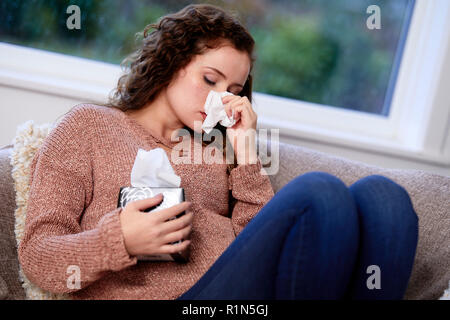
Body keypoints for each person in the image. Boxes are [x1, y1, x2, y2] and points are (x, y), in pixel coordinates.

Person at [18, 4, 418, 300]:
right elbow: (37, 255)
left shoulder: (214, 149)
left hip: (246, 294)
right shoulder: (87, 127)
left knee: (386, 199)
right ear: (171, 63)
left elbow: (260, 241)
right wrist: (120, 240)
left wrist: (245, 151)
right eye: (210, 79)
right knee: (321, 193)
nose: (221, 100)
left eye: (234, 91)